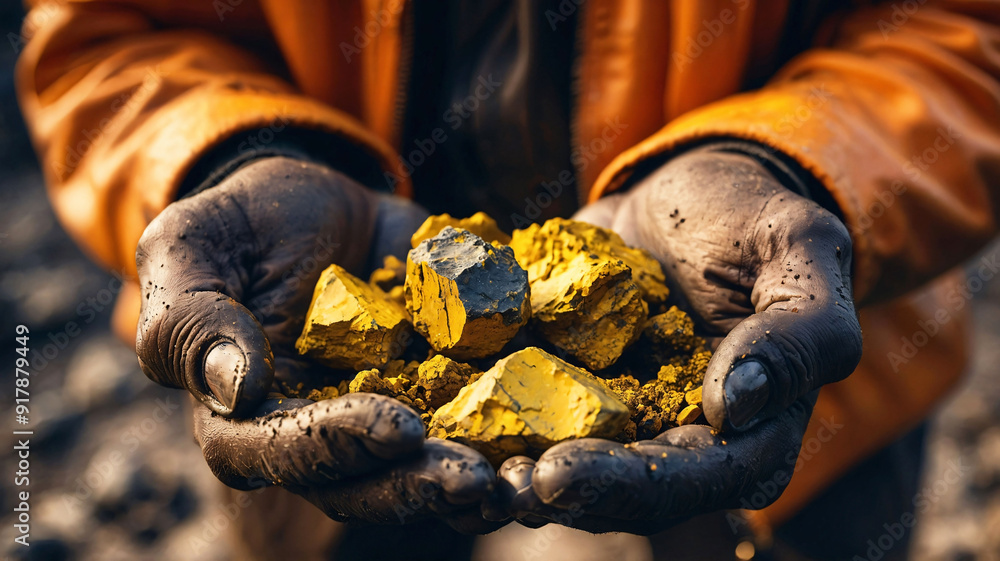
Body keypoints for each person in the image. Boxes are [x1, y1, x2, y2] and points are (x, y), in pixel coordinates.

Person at [15, 0, 1000, 559]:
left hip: (796, 327)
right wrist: (234, 157)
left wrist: (791, 166)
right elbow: (107, 33)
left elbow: (964, 28)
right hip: (304, 319)